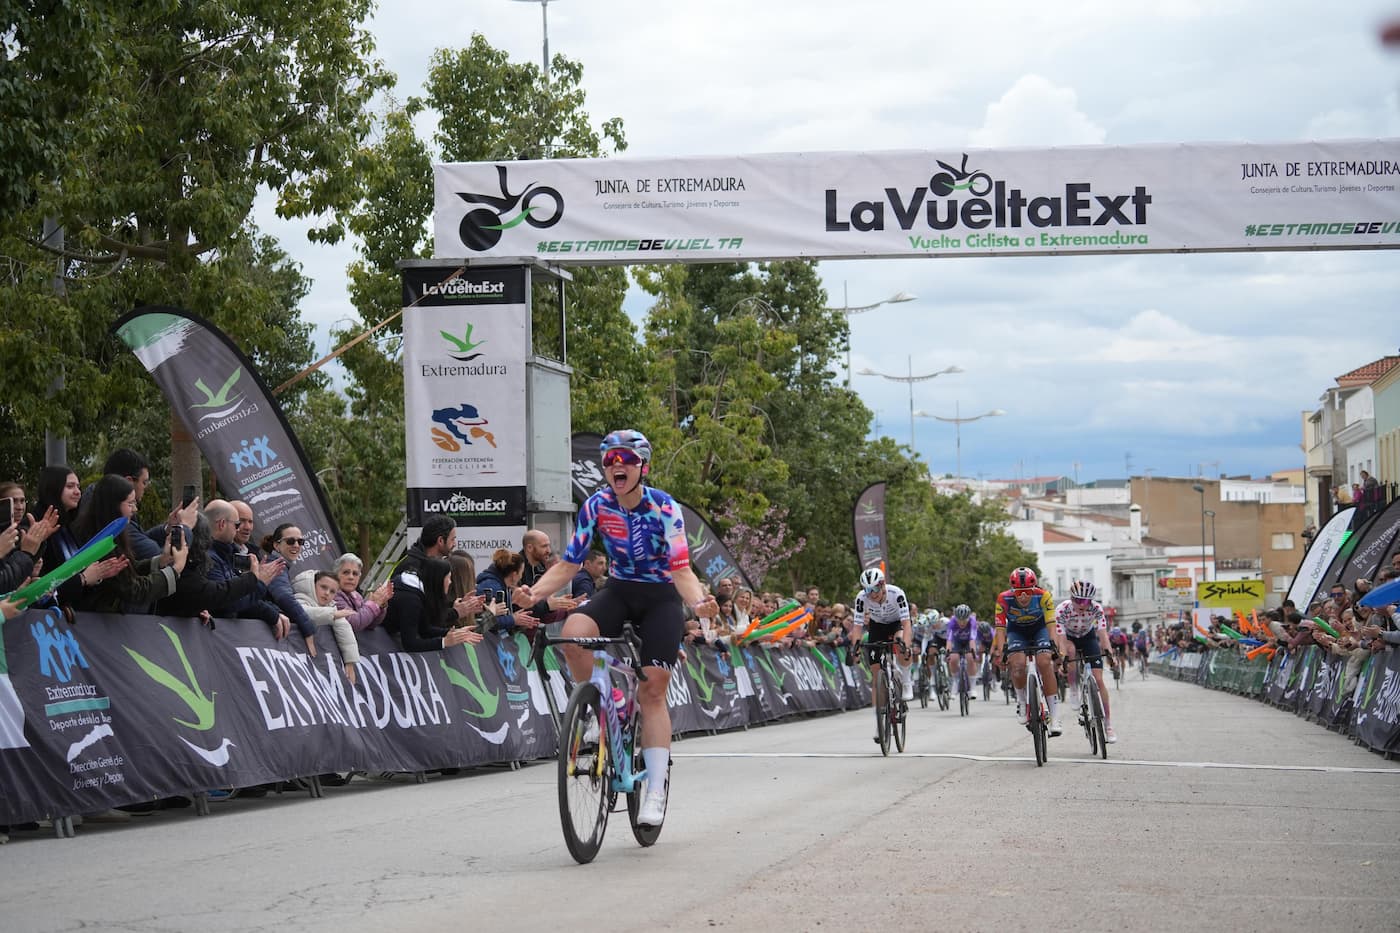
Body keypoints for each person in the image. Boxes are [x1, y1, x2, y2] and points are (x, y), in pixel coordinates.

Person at [516, 429, 717, 828]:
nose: (616, 466)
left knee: (653, 689)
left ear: (643, 466)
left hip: (661, 596)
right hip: (621, 590)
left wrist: (698, 603)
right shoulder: (596, 506)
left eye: (625, 459)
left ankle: (655, 789)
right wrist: (533, 594)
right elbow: (569, 565)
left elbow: (681, 570)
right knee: (574, 632)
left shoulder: (664, 508)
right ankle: (600, 708)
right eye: (609, 460)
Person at [68, 475, 187, 613]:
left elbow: (128, 568)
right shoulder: (99, 542)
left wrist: (161, 561)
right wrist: (176, 569)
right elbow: (132, 590)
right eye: (130, 504)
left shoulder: (111, 532)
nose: (135, 509)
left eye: (134, 503)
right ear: (113, 506)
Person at [991, 567, 1063, 736]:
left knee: (1045, 661)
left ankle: (1055, 715)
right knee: (1017, 665)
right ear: (1012, 590)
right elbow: (1000, 629)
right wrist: (1003, 653)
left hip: (1040, 629)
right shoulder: (1003, 598)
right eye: (1019, 592)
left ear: (1034, 589)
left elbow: (1052, 625)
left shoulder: (1044, 596)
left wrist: (1054, 647)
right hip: (1017, 632)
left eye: (1027, 592)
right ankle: (1022, 701)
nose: (1023, 596)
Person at [851, 566, 913, 740]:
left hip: (896, 624)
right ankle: (879, 721)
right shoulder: (861, 599)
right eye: (868, 590)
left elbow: (906, 623)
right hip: (877, 626)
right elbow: (857, 626)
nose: (872, 593)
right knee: (876, 674)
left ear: (883, 584)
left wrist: (906, 647)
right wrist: (855, 647)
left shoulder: (897, 594)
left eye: (875, 589)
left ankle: (906, 680)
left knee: (901, 645)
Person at [1053, 580, 1117, 743]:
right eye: (1079, 600)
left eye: (1086, 601)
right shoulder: (1062, 609)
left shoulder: (1096, 609)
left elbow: (1102, 635)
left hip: (1088, 637)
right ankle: (1073, 688)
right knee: (1071, 651)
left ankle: (1109, 725)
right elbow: (1060, 638)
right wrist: (1062, 659)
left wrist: (1110, 655)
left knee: (1099, 679)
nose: (1082, 605)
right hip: (1069, 638)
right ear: (1072, 598)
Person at [382, 556, 485, 653]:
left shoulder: (420, 593)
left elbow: (424, 629)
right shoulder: (411, 600)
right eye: (448, 578)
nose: (450, 582)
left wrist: (453, 633)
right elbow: (410, 643)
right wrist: (444, 642)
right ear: (438, 580)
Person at [292, 570, 361, 683]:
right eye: (323, 587)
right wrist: (332, 614)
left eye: (332, 591)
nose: (327, 593)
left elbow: (344, 629)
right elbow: (303, 612)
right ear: (312, 584)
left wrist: (350, 662)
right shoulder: (300, 597)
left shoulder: (330, 606)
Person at [474, 549, 537, 635]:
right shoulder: (493, 588)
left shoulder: (501, 586)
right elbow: (486, 622)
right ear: (514, 575)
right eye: (521, 573)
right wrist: (513, 619)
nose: (521, 577)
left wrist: (515, 618)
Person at [332, 553, 392, 632]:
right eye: (346, 572)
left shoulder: (356, 595)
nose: (351, 577)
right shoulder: (333, 594)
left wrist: (380, 604)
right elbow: (354, 624)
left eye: (355, 574)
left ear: (359, 578)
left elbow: (370, 625)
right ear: (336, 575)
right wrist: (374, 604)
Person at [946, 604, 981, 700]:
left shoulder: (972, 621)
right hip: (957, 641)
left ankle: (973, 687)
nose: (961, 623)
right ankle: (955, 682)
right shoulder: (952, 621)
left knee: (970, 657)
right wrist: (948, 651)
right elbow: (949, 638)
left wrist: (973, 651)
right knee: (953, 659)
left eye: (964, 620)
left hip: (968, 641)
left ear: (968, 618)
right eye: (959, 620)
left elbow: (973, 638)